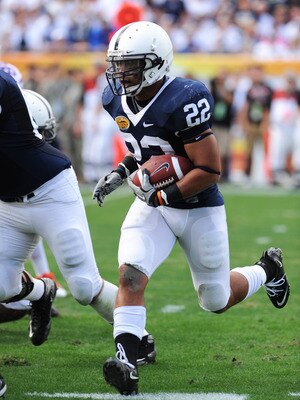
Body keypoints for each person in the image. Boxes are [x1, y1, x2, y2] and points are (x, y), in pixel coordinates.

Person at [92, 21, 290, 396]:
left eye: (130, 64)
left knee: (214, 300)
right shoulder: (113, 99)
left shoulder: (184, 97)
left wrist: (163, 196)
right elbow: (143, 151)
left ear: (156, 63)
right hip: (154, 205)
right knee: (130, 276)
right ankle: (126, 362)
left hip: (197, 206)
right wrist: (121, 172)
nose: (121, 72)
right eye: (118, 64)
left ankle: (268, 269)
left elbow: (210, 169)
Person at [0, 74, 155, 365]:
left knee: (84, 285)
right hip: (8, 203)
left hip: (50, 191)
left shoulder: (2, 84)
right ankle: (40, 291)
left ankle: (138, 337)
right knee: (1, 286)